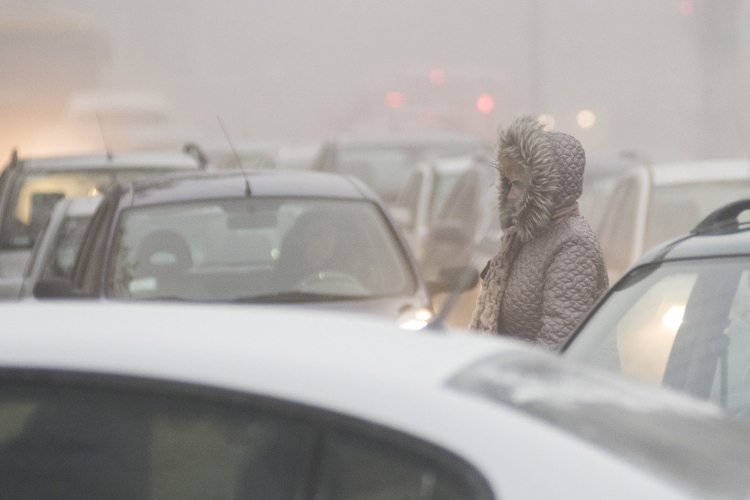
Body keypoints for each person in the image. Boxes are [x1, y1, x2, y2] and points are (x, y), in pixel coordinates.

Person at [470, 116, 608, 349]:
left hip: (551, 382)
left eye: (519, 184)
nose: (511, 195)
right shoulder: (524, 240)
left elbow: (557, 343)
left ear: (545, 189)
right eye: (509, 184)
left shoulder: (573, 246)